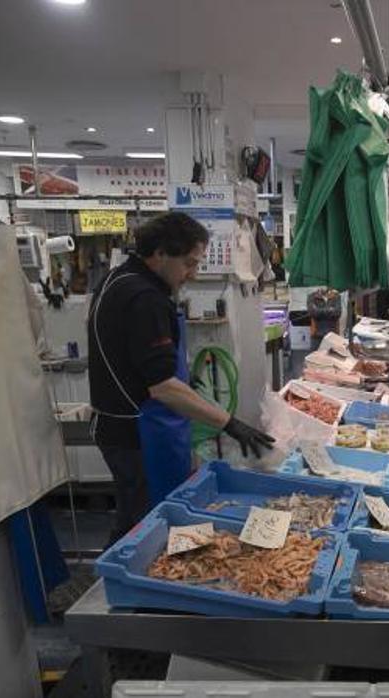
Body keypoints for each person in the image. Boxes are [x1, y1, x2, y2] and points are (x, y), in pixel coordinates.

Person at [88, 212, 275, 543]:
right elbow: (163, 388)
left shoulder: (120, 278)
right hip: (140, 431)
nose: (193, 273)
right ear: (160, 253)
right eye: (188, 263)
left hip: (127, 427)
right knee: (150, 528)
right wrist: (229, 423)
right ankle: (136, 590)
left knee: (135, 514)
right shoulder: (145, 298)